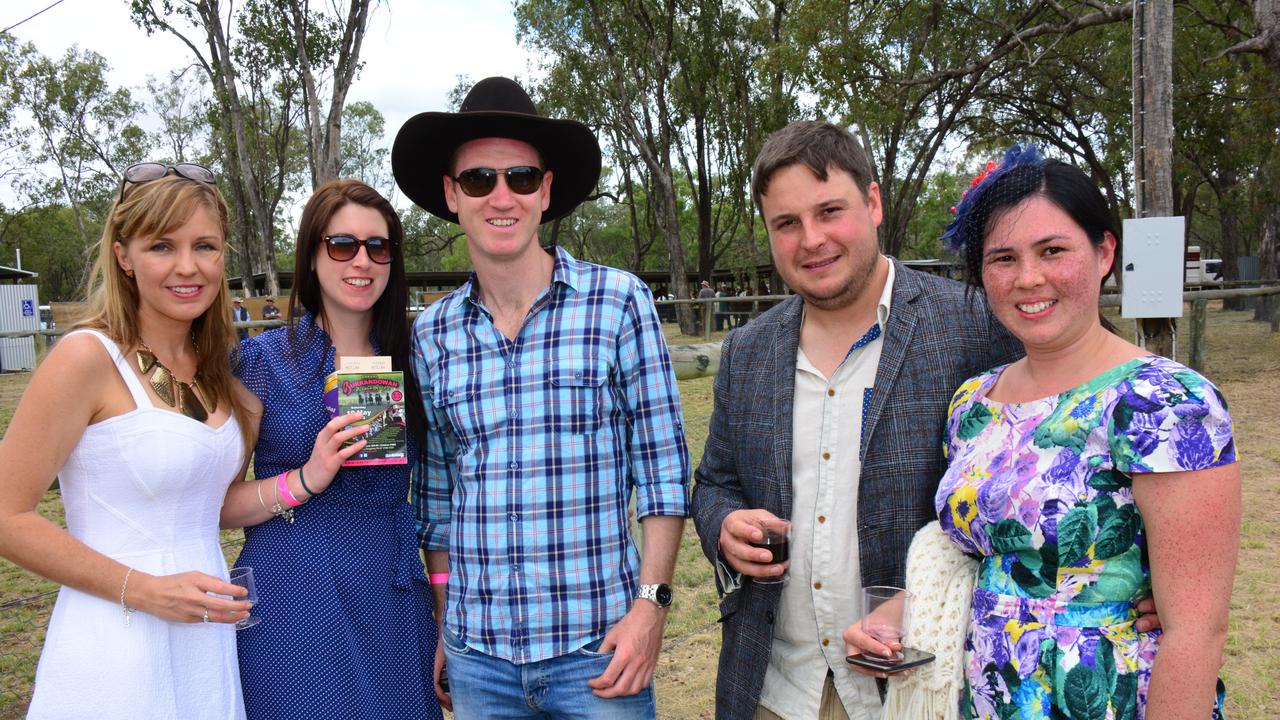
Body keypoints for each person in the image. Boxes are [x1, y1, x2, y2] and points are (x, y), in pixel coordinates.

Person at [687, 121, 1028, 719]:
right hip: (774, 688)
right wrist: (722, 525)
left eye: (829, 211)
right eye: (786, 223)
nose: (811, 239)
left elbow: (1058, 457)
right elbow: (715, 481)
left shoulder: (974, 324)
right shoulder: (748, 351)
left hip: (914, 690)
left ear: (872, 203)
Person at [392, 76, 690, 719]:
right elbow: (438, 497)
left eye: (521, 177)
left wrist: (652, 606)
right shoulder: (432, 335)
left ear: (546, 189)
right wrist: (445, 622)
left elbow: (665, 475)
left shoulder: (620, 303)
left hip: (599, 652)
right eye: (478, 180)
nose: (502, 196)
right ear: (451, 194)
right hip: (478, 658)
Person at [928, 146, 1237, 718]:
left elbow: (1196, 631)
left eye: (1052, 250)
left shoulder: (1165, 402)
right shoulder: (973, 402)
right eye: (1002, 259)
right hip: (990, 692)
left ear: (1103, 253)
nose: (1028, 278)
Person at [0, 162, 258, 719]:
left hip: (206, 644)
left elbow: (206, 504)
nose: (187, 267)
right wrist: (142, 590)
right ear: (124, 256)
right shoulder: (87, 357)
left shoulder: (216, 373)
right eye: (162, 246)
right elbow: (5, 515)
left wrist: (305, 475)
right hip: (115, 641)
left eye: (206, 246)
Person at [224, 179, 443, 720]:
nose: (361, 261)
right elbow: (219, 503)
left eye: (378, 246)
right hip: (294, 595)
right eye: (342, 245)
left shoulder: (417, 360)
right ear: (313, 256)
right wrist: (306, 477)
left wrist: (444, 607)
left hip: (390, 592)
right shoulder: (262, 362)